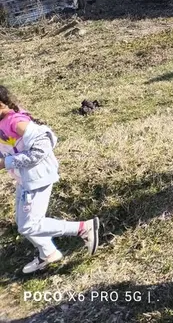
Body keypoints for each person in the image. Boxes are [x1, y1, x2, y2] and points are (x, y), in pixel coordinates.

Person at [0, 86, 99, 274]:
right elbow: (7, 147)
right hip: (24, 179)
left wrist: (6, 163)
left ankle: (83, 228)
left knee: (30, 225)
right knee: (23, 224)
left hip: (37, 178)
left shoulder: (16, 122)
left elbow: (43, 145)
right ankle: (48, 253)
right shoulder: (2, 122)